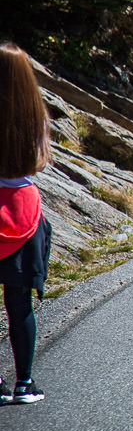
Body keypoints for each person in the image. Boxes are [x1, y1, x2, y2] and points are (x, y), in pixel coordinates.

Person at [0, 43, 52, 405]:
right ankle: (25, 382)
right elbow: (39, 163)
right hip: (24, 210)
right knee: (19, 303)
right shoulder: (36, 115)